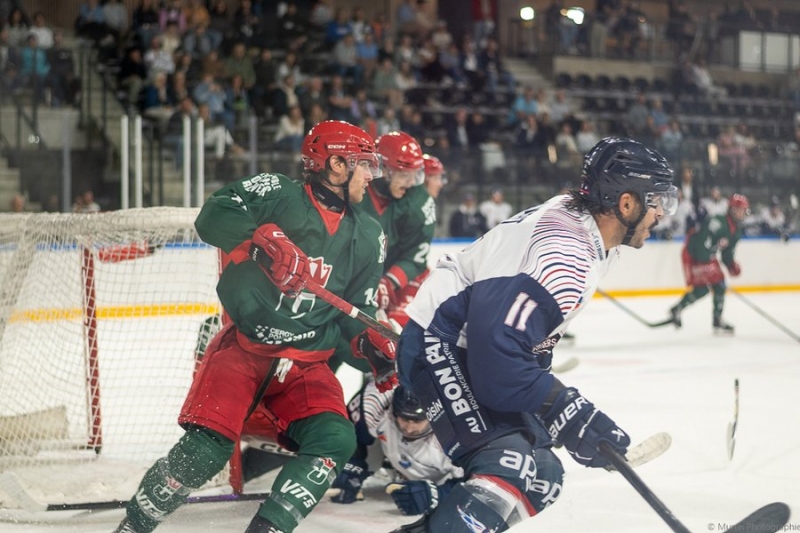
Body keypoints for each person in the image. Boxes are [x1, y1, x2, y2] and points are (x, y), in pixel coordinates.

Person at [113, 120, 399, 533]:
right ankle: (135, 524)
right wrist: (262, 239)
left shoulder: (370, 235)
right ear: (337, 164)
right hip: (245, 351)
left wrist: (371, 348)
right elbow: (212, 216)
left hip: (306, 365)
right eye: (365, 164)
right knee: (207, 450)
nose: (372, 175)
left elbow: (355, 310)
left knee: (336, 439)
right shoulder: (278, 192)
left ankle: (267, 529)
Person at [392, 137, 678, 532]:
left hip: (473, 343)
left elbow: (509, 341)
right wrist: (564, 407)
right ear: (626, 203)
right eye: (657, 200)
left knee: (543, 478)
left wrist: (561, 412)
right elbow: (497, 363)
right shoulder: (565, 260)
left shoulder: (585, 225)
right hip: (440, 340)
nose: (661, 213)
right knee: (508, 465)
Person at [327, 381, 464, 515]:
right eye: (404, 418)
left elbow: (479, 481)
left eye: (417, 420)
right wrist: (352, 465)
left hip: (444, 476)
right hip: (389, 453)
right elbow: (351, 434)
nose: (409, 429)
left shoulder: (461, 433)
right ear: (393, 410)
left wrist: (440, 494)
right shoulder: (375, 400)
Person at [363, 131, 436, 328]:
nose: (412, 183)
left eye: (415, 175)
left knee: (403, 333)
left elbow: (415, 258)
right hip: (357, 278)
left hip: (399, 278)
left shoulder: (418, 202)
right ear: (382, 169)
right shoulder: (354, 189)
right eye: (404, 175)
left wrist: (388, 283)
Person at [667, 193, 750, 335]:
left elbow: (726, 253)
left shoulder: (736, 232)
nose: (742, 213)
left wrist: (731, 264)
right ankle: (681, 310)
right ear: (731, 209)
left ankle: (679, 310)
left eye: (743, 210)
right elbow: (701, 242)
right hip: (692, 253)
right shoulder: (717, 222)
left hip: (705, 256)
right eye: (739, 209)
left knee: (708, 288)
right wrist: (708, 265)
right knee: (712, 285)